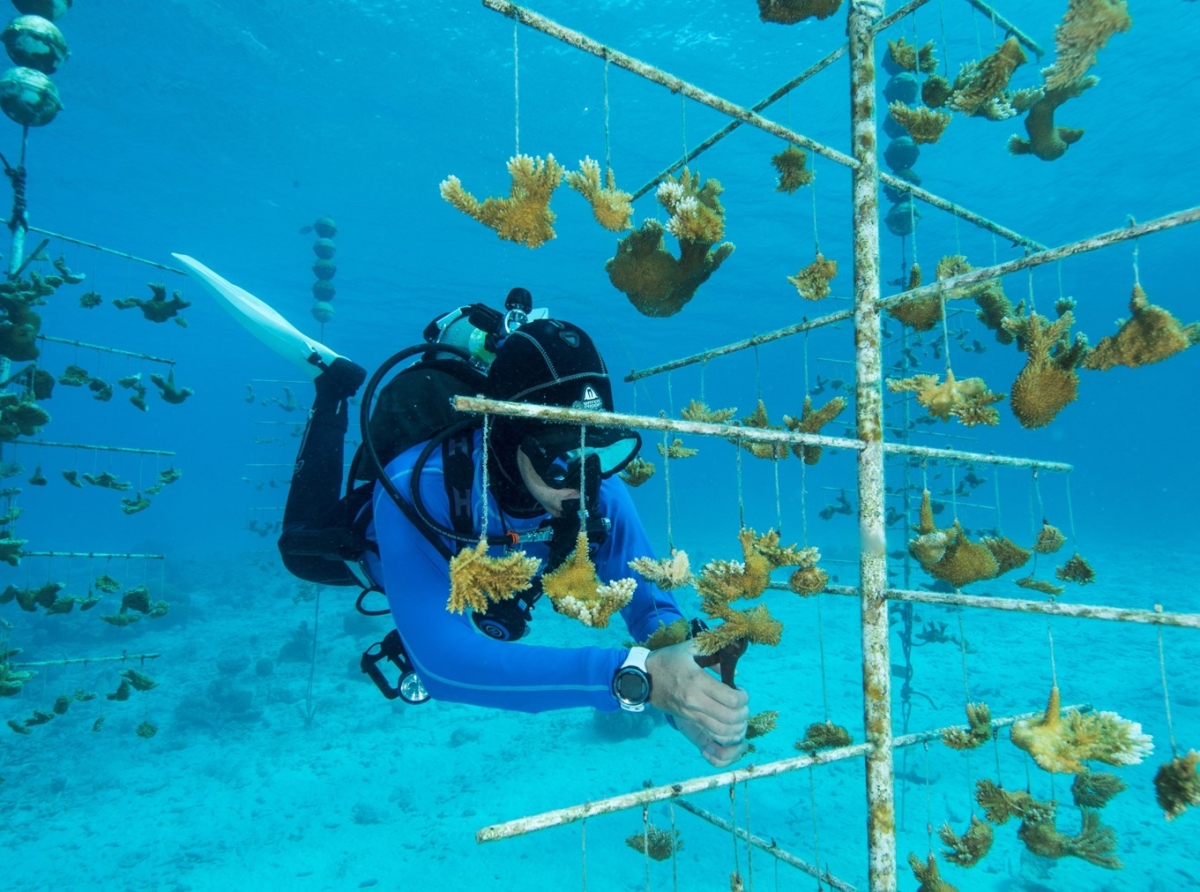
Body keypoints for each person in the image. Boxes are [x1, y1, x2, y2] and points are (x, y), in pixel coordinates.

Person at [287, 314, 749, 768]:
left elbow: (650, 607)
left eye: (600, 448)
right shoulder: (414, 486)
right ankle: (331, 390)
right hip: (387, 553)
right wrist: (635, 678)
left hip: (498, 572)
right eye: (558, 454)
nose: (581, 481)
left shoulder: (600, 488)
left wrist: (683, 690)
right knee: (299, 552)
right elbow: (441, 665)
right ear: (507, 440)